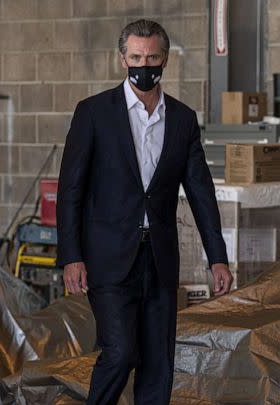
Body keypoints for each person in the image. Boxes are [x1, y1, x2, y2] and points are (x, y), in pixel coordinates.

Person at [57, 19, 233, 404]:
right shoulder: (93, 113)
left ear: (165, 59)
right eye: (136, 56)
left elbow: (201, 192)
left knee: (158, 366)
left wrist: (217, 257)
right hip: (108, 258)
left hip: (159, 258)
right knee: (120, 353)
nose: (144, 64)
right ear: (123, 59)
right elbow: (70, 190)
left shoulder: (183, 119)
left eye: (152, 57)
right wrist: (71, 256)